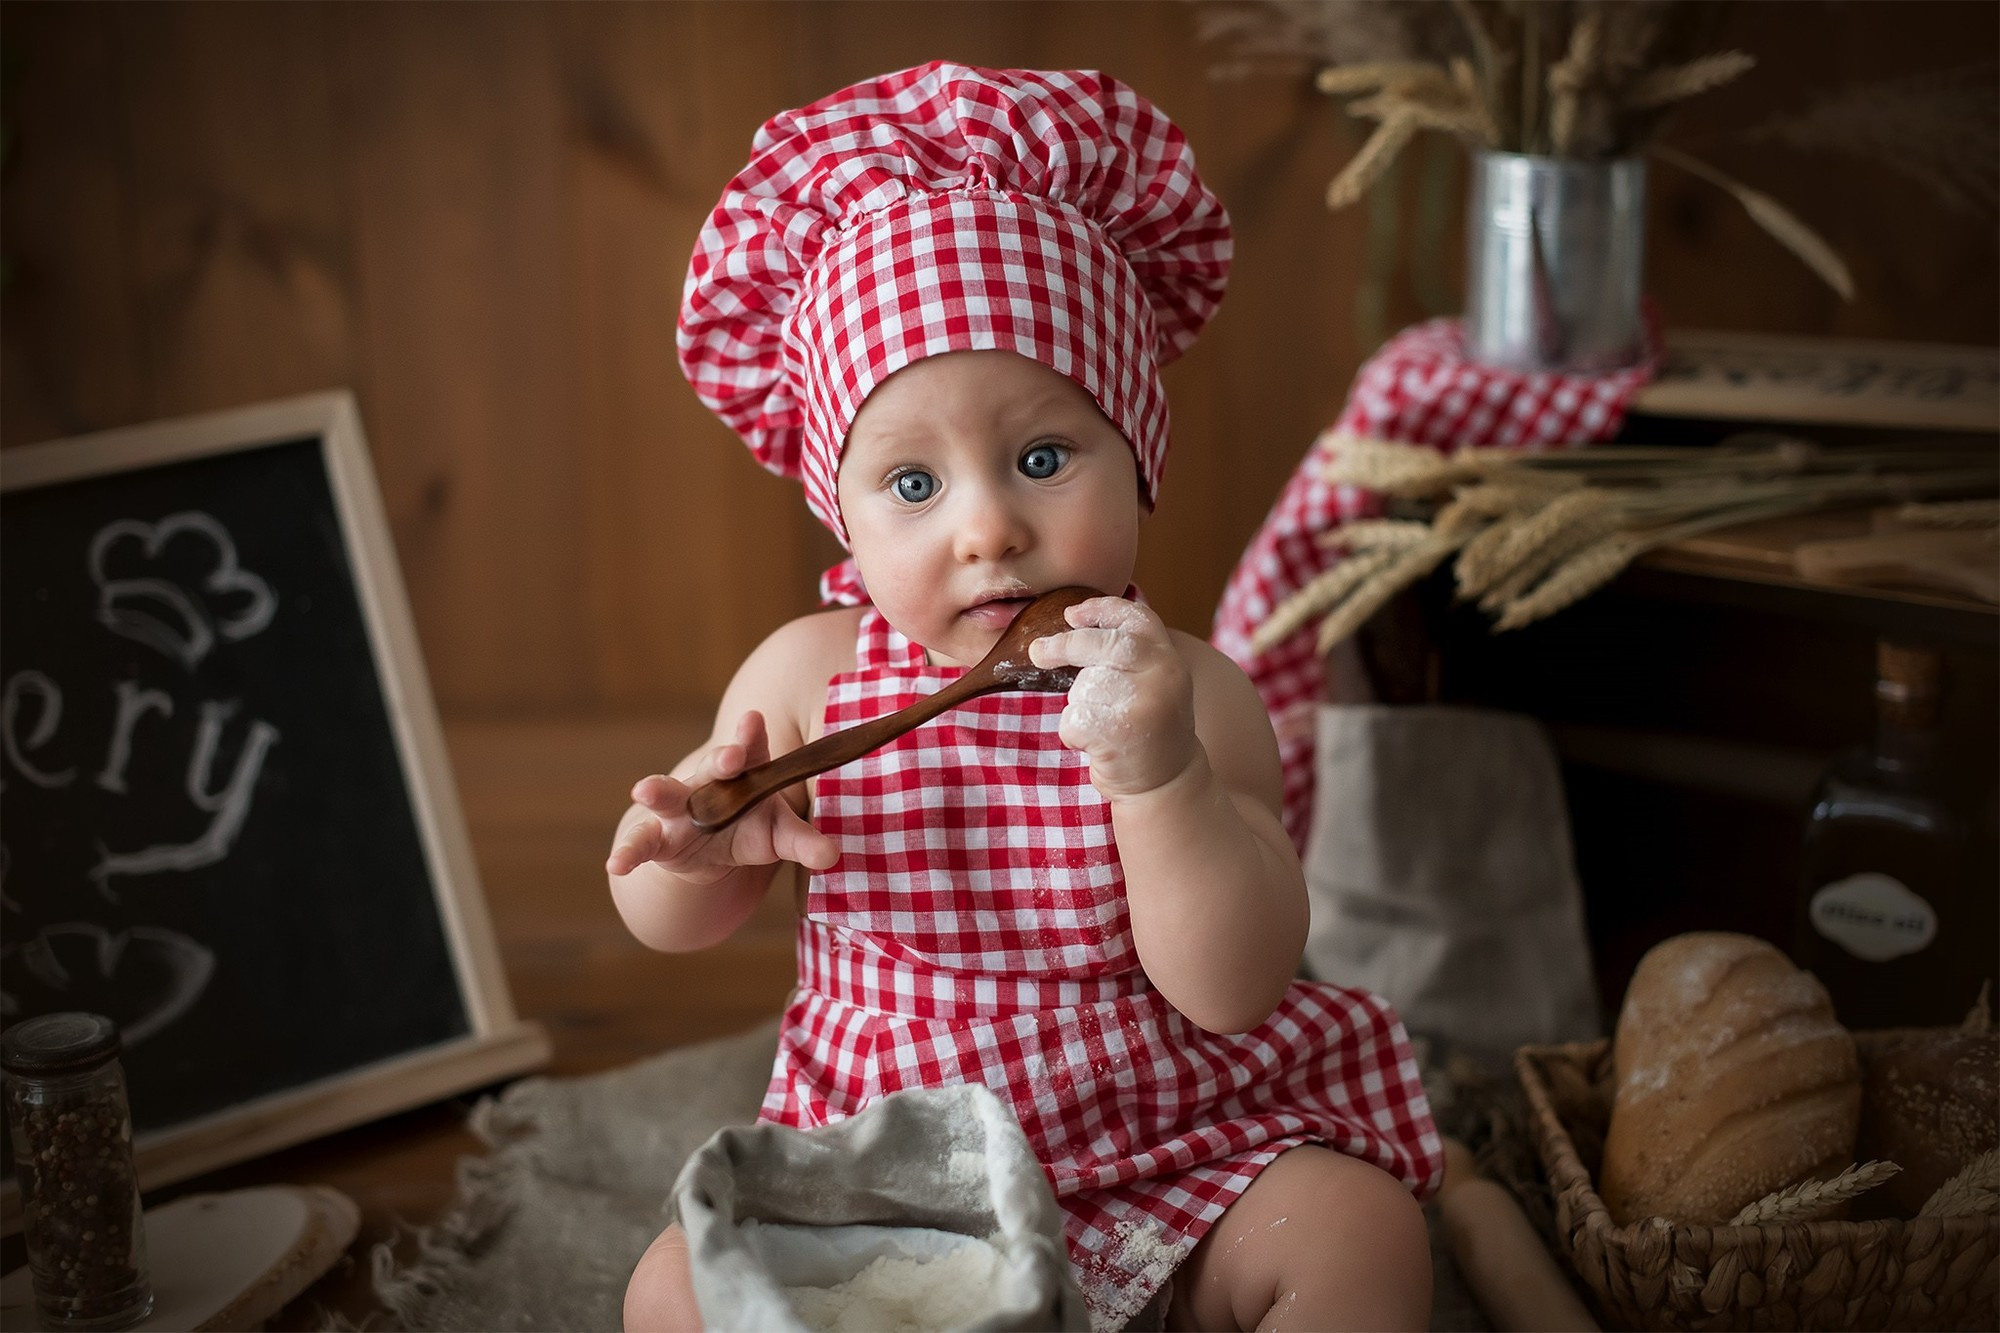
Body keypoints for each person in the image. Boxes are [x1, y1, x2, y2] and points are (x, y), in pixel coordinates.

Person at [610, 61, 1441, 1333]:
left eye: (1042, 457)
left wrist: (1157, 777)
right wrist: (691, 849)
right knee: (669, 1287)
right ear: (840, 510)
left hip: (1155, 1160)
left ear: (1138, 456)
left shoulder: (1194, 693)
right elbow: (670, 920)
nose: (989, 526)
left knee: (1355, 1231)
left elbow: (1234, 987)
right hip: (882, 1189)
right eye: (911, 485)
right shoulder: (806, 674)